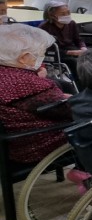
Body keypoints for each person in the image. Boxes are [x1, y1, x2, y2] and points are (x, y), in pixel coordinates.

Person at [0, 24, 70, 163]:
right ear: (24, 58)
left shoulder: (6, 75)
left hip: (9, 143)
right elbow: (68, 111)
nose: (42, 58)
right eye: (41, 53)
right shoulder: (27, 84)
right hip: (33, 145)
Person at [38, 0, 87, 85]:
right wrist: (72, 52)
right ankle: (81, 85)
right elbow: (47, 49)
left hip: (72, 49)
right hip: (56, 53)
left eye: (68, 12)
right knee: (76, 62)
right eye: (63, 14)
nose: (67, 15)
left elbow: (78, 39)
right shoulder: (44, 27)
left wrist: (83, 47)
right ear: (52, 15)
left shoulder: (71, 23)